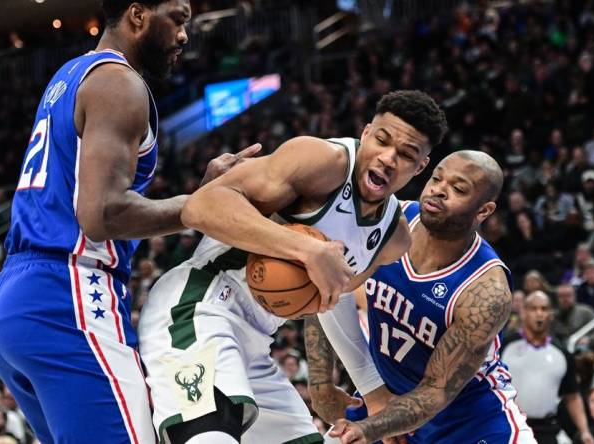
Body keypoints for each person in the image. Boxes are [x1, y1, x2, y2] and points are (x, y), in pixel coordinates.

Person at [0, 1, 261, 443]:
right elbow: (101, 215)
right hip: (68, 295)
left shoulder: (71, 74)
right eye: (179, 19)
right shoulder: (120, 84)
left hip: (15, 299)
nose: (185, 35)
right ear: (137, 15)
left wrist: (199, 196)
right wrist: (200, 205)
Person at [138, 90, 448, 443]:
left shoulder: (393, 238)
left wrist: (373, 392)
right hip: (200, 305)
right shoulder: (322, 161)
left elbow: (336, 299)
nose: (388, 158)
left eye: (406, 154)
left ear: (420, 166)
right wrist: (305, 249)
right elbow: (200, 206)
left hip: (256, 343)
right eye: (382, 140)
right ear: (365, 133)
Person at [306, 151, 536, 443]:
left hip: (469, 420)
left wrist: (375, 426)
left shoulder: (486, 291)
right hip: (385, 397)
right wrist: (321, 380)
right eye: (437, 178)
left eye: (458, 189)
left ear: (484, 211)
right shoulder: (388, 221)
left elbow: (436, 391)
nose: (439, 189)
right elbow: (328, 290)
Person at [501, 291, 594, 444]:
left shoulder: (562, 353)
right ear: (523, 313)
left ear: (551, 314)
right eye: (534, 308)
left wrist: (584, 431)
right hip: (509, 426)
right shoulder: (505, 346)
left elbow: (572, 396)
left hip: (547, 430)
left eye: (544, 309)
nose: (540, 314)